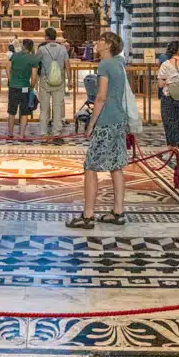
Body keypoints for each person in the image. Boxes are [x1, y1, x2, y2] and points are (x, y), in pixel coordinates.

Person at [67, 31, 128, 228]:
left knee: (90, 166)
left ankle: (88, 215)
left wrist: (91, 123)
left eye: (101, 40)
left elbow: (100, 96)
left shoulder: (104, 65)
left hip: (106, 120)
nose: (97, 42)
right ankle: (118, 212)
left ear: (108, 45)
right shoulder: (119, 63)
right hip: (119, 118)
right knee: (116, 166)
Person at [37, 26, 69, 145]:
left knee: (44, 109)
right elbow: (67, 65)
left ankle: (44, 135)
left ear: (46, 37)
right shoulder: (63, 49)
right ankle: (56, 134)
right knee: (57, 108)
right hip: (59, 82)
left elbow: (36, 63)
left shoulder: (42, 49)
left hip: (45, 81)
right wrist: (70, 80)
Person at [7, 37, 40, 141]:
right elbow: (34, 76)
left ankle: (10, 134)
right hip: (25, 87)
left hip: (13, 86)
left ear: (22, 46)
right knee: (24, 111)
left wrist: (10, 80)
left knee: (12, 111)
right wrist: (32, 86)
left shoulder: (14, 56)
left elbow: (7, 67)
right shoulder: (33, 58)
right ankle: (21, 134)